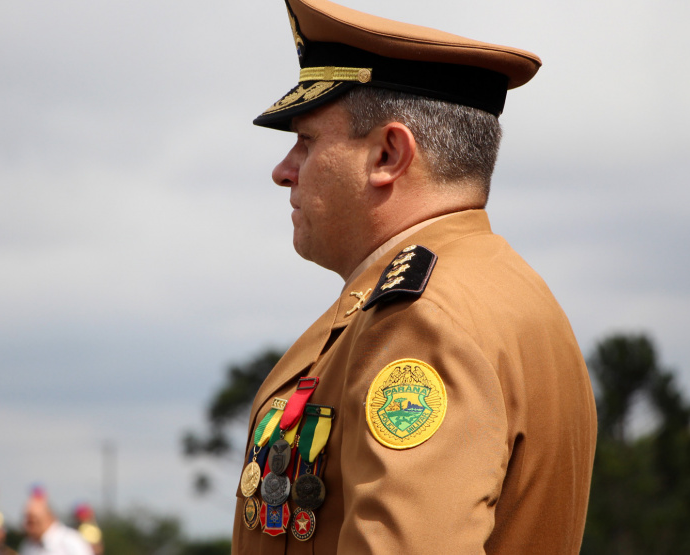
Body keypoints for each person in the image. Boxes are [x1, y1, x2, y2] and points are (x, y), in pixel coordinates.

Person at [231, 0, 597, 553]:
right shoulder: (499, 288)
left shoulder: (422, 317)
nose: (283, 170)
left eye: (307, 141)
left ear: (388, 154)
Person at [19, 495, 92, 555]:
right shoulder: (27, 545)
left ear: (48, 517)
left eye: (32, 521)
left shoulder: (72, 541)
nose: (26, 526)